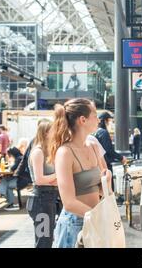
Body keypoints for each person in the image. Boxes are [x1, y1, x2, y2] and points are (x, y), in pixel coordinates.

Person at [49, 98, 111, 248]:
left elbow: (103, 191)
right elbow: (69, 203)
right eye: (95, 115)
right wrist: (96, 218)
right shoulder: (65, 152)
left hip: (94, 221)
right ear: (83, 120)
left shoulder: (93, 146)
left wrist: (106, 180)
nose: (98, 119)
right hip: (74, 226)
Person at [27, 119, 58, 248]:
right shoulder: (38, 152)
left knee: (46, 239)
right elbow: (39, 180)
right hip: (41, 200)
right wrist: (59, 174)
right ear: (45, 133)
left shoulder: (45, 151)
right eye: (53, 130)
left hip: (47, 199)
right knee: (43, 241)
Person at [94, 112, 126, 192]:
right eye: (110, 121)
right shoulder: (103, 133)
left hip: (96, 165)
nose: (111, 123)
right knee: (108, 189)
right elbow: (109, 150)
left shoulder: (95, 132)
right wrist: (121, 157)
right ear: (105, 121)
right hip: (105, 165)